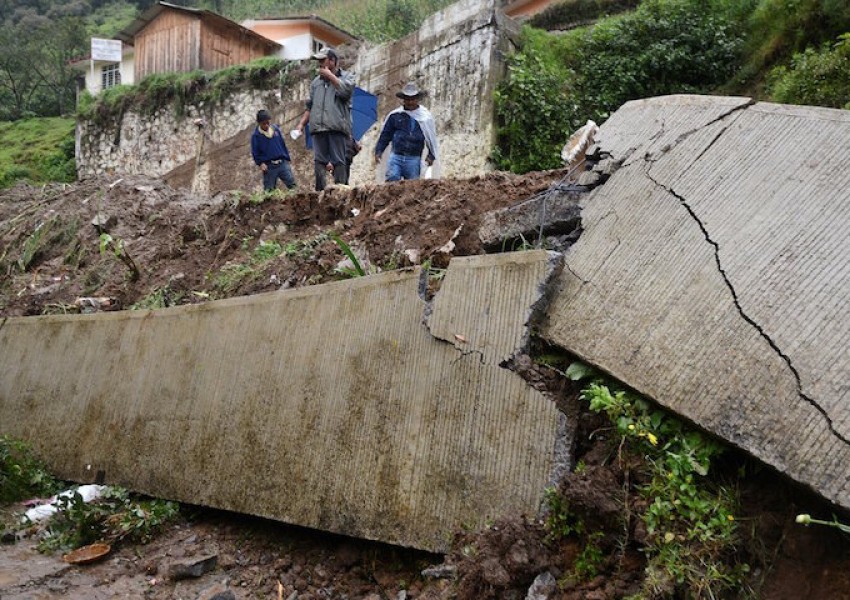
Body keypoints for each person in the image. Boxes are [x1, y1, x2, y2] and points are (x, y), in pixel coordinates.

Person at [294, 48, 356, 191]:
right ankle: (320, 193)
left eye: (323, 60)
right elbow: (310, 106)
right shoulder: (316, 83)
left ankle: (340, 192)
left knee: (339, 161)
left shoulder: (347, 77)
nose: (320, 64)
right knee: (319, 162)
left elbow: (346, 92)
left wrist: (331, 77)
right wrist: (301, 124)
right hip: (318, 128)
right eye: (319, 61)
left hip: (336, 128)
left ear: (332, 61)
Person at [374, 82, 439, 182]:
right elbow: (385, 135)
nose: (410, 102)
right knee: (392, 181)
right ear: (403, 99)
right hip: (396, 156)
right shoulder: (395, 115)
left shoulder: (425, 117)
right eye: (407, 99)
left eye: (412, 99)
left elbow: (431, 138)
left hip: (414, 159)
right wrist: (379, 150)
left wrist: (431, 155)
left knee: (411, 188)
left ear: (417, 99)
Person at [250, 109, 296, 192]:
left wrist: (286, 157)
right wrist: (260, 163)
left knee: (292, 184)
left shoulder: (275, 130)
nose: (266, 125)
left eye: (268, 122)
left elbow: (282, 144)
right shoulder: (256, 136)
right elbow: (255, 152)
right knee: (269, 190)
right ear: (259, 123)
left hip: (282, 163)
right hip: (269, 167)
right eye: (264, 124)